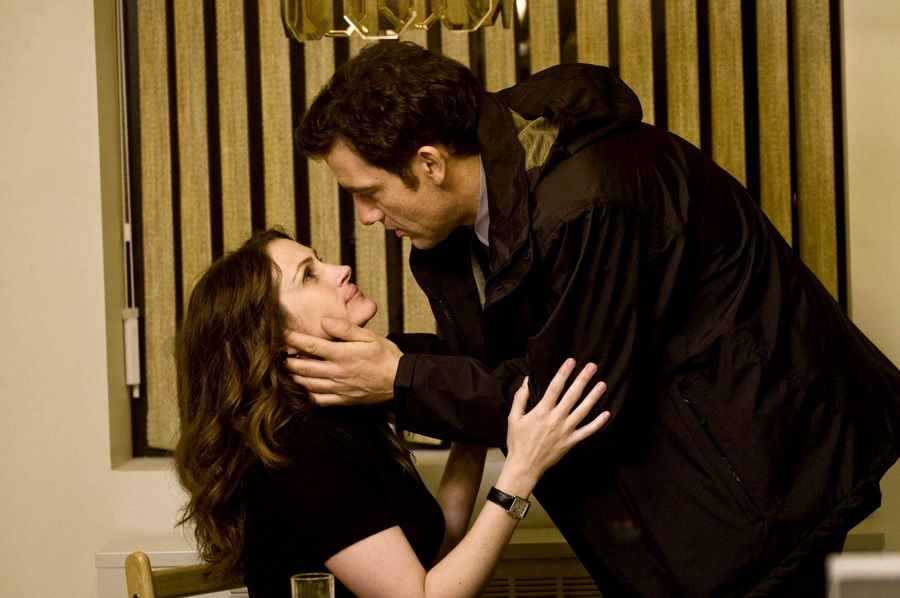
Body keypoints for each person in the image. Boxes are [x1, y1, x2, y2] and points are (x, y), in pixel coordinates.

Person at [287, 41, 900, 597]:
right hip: (686, 498)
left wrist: (399, 379)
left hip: (760, 482)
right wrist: (380, 365)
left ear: (429, 164)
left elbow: (568, 400)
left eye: (369, 192)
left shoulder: (590, 201)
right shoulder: (451, 230)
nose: (365, 216)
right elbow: (505, 365)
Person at [173, 227, 611, 598]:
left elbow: (435, 553)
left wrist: (470, 424)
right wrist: (521, 472)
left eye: (319, 261)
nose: (341, 269)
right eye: (309, 274)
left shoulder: (343, 412)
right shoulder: (297, 448)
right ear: (275, 336)